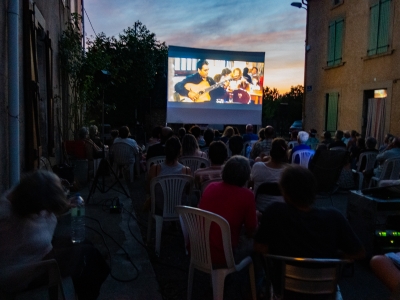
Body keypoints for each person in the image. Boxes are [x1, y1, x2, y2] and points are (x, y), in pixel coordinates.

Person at [254, 165, 365, 297]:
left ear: (284, 191)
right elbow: (359, 253)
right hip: (325, 292)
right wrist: (336, 257)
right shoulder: (334, 217)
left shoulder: (274, 212)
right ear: (313, 191)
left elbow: (259, 247)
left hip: (284, 290)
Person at [0, 170, 109, 299]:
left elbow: (43, 216)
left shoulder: (15, 198)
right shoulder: (21, 227)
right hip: (22, 274)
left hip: (30, 256)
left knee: (85, 246)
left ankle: (89, 278)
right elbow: (46, 239)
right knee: (88, 257)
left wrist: (65, 205)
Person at [199, 156, 257, 265]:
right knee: (259, 244)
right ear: (246, 176)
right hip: (225, 254)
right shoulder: (247, 195)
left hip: (200, 248)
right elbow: (251, 230)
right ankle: (258, 279)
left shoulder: (211, 187)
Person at [147, 137, 191, 214]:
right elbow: (188, 191)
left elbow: (148, 189)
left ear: (165, 150)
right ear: (180, 151)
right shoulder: (186, 171)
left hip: (160, 207)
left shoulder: (155, 169)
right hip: (179, 208)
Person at [251, 138, 288, 212]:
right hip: (281, 212)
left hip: (260, 211)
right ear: (285, 155)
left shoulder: (258, 167)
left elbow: (251, 183)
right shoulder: (289, 172)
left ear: (270, 152)